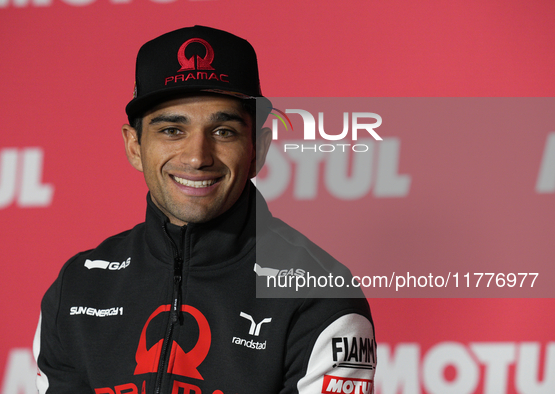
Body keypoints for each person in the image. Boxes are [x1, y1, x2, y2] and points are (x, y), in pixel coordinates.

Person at [34, 25, 376, 394]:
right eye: (171, 131)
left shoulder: (317, 295)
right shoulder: (80, 288)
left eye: (223, 131)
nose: (197, 157)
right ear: (134, 146)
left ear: (258, 148)